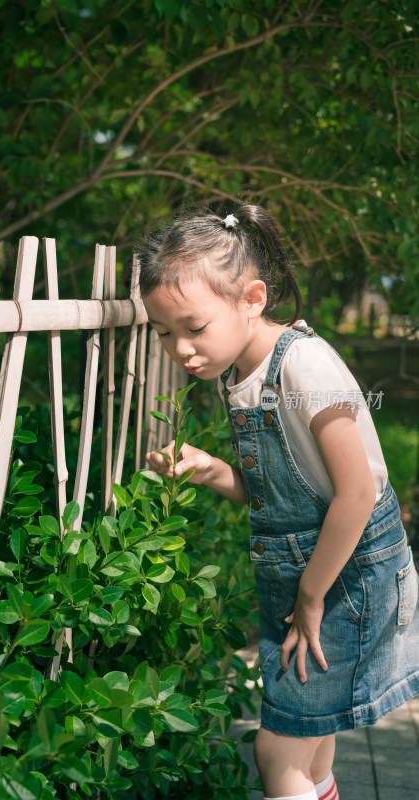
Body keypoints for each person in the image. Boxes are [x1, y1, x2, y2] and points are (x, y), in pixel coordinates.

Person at [137, 205, 419, 800]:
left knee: (278, 747)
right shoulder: (241, 369)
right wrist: (212, 469)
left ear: (252, 299)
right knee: (310, 741)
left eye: (193, 327)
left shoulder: (304, 366)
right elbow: (278, 493)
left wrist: (312, 597)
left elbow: (358, 493)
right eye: (164, 333)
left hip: (346, 579)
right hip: (316, 573)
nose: (180, 349)